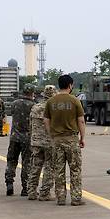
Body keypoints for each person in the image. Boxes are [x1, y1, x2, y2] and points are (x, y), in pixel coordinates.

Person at [44, 74, 86, 206]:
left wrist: (52, 134)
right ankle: (76, 198)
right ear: (70, 85)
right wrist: (82, 138)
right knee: (75, 169)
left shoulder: (51, 102)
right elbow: (81, 121)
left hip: (57, 140)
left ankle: (61, 198)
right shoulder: (74, 101)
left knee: (58, 169)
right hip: (72, 139)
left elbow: (46, 121)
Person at [27, 85, 57, 201]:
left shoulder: (35, 107)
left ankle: (31, 191)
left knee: (35, 166)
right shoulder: (53, 108)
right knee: (49, 167)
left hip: (36, 141)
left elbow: (30, 124)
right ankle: (45, 193)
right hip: (49, 142)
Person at [4, 84, 35, 196]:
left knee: (11, 160)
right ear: (32, 93)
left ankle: (9, 183)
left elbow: (11, 114)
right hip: (27, 138)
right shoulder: (33, 106)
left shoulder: (15, 103)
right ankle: (25, 188)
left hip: (14, 137)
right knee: (27, 163)